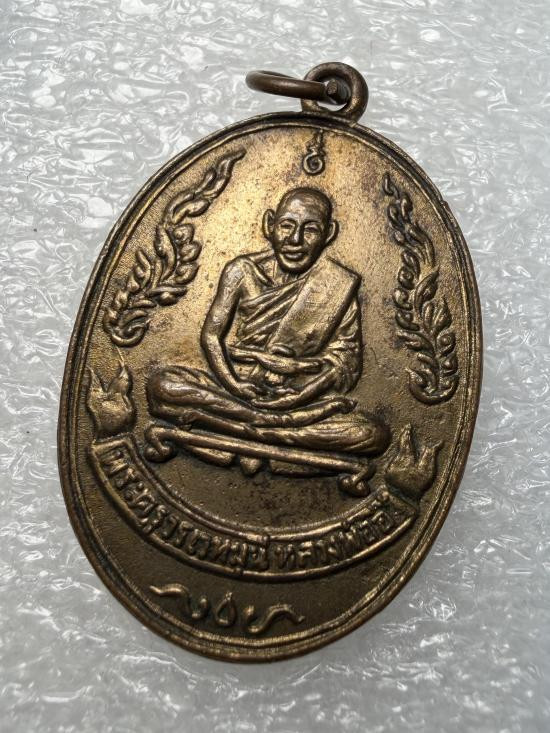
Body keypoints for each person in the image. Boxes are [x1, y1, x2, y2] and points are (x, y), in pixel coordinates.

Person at [147, 187, 389, 475]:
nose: (295, 240)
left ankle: (236, 431)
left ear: (329, 234)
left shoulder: (338, 285)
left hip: (298, 404)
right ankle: (273, 437)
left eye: (311, 229)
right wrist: (234, 386)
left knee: (373, 434)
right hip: (234, 394)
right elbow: (211, 336)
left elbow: (346, 364)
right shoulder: (241, 271)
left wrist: (297, 396)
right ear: (269, 225)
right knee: (164, 385)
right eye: (287, 225)